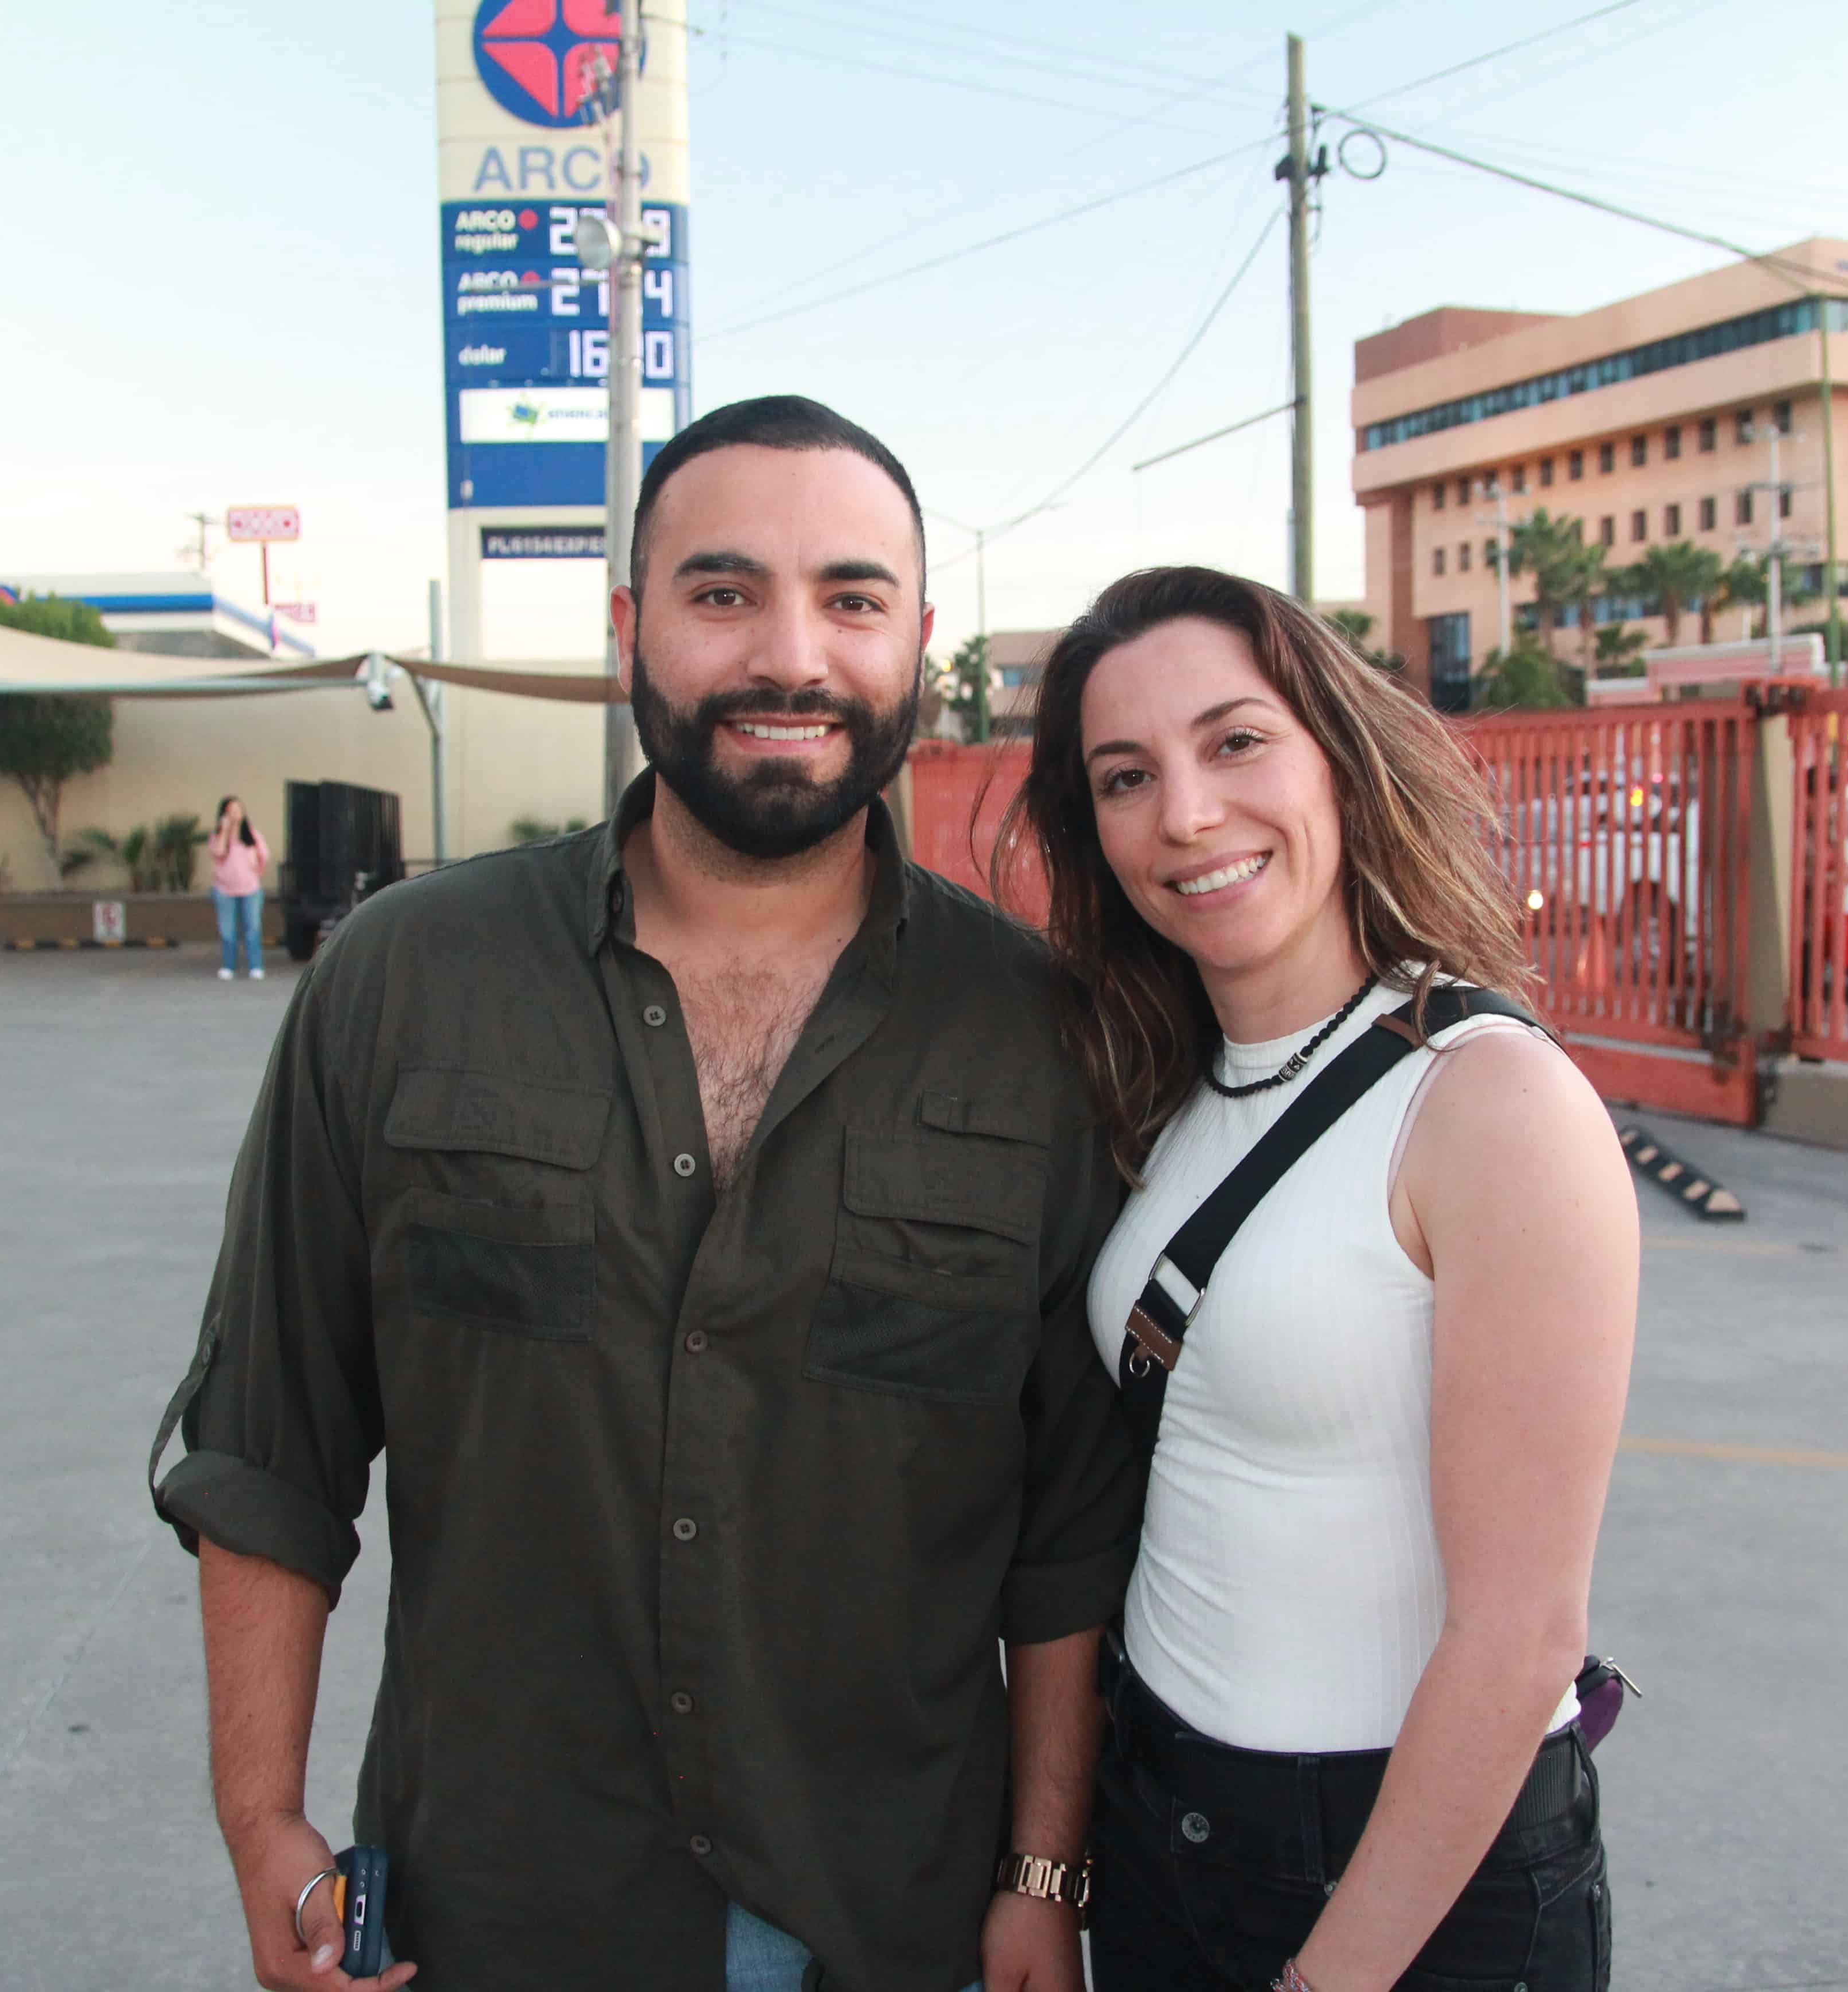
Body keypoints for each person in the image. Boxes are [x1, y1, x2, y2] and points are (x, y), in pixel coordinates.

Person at [149, 396, 1144, 1992]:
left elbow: (1070, 1536)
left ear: (920, 644)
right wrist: (258, 1815)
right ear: (631, 627)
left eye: (852, 600)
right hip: (500, 1910)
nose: (790, 657)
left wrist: (1041, 1869)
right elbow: (272, 1441)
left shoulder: (1039, 1035)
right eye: (724, 592)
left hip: (892, 1915)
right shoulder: (407, 982)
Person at [1010, 567, 1639, 1992]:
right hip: (1163, 1824)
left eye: (1235, 741)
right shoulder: (1165, 1088)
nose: (1184, 813)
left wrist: (1326, 1975)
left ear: (1338, 761)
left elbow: (1523, 1626)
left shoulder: (1485, 1102)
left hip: (1403, 1877)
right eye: (1125, 775)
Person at [210, 795, 270, 982]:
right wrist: (225, 831)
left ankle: (256, 966)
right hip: (224, 890)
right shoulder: (218, 836)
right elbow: (218, 853)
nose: (236, 814)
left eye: (239, 810)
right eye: (232, 810)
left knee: (252, 929)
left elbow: (264, 856)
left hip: (250, 889)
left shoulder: (252, 835)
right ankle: (228, 966)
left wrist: (257, 873)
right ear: (224, 814)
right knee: (228, 931)